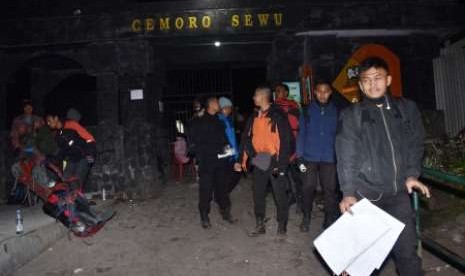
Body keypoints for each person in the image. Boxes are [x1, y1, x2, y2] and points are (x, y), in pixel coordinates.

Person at [336, 57, 430, 276]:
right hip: (366, 198)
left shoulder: (406, 108)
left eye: (377, 78)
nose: (372, 84)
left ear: (388, 79)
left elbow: (415, 143)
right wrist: (348, 192)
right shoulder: (352, 115)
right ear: (360, 85)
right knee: (360, 262)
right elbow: (346, 153)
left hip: (398, 196)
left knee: (408, 256)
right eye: (366, 80)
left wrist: (412, 174)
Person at [235, 85, 292, 236]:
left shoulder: (277, 115)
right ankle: (260, 224)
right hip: (260, 159)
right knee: (258, 193)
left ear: (262, 97)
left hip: (275, 159)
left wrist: (281, 166)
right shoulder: (254, 116)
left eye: (255, 95)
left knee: (279, 194)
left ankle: (282, 224)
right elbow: (245, 138)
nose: (253, 98)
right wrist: (242, 159)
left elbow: (286, 141)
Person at [296, 79, 339, 232]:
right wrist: (299, 156)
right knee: (308, 187)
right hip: (309, 157)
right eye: (319, 91)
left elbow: (340, 136)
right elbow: (301, 134)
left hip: (329, 157)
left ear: (330, 92)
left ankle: (328, 219)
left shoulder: (336, 111)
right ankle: (306, 216)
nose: (322, 94)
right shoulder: (307, 110)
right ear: (314, 92)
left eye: (325, 91)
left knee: (330, 189)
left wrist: (339, 155)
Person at [189, 97, 234, 228]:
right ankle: (204, 216)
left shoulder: (218, 121)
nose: (218, 104)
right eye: (215, 102)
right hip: (207, 161)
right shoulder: (199, 120)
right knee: (206, 190)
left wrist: (227, 148)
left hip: (220, 161)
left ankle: (225, 212)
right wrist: (199, 154)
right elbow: (194, 139)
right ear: (209, 105)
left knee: (222, 188)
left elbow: (223, 138)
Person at [45, 114, 95, 191]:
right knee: (65, 178)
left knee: (77, 179)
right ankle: (70, 200)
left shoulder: (71, 124)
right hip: (72, 159)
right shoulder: (58, 135)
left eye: (49, 121)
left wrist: (90, 155)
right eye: (47, 122)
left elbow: (89, 138)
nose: (48, 124)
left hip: (83, 156)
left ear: (56, 118)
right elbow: (62, 151)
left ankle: (78, 199)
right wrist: (52, 160)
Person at [274, 83, 303, 210]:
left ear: (286, 93)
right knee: (283, 173)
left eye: (279, 91)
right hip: (280, 143)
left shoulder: (294, 105)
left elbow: (300, 123)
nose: (277, 93)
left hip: (295, 142)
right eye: (276, 91)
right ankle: (290, 196)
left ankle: (299, 197)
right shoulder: (273, 107)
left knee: (295, 173)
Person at [218, 97, 241, 193]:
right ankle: (222, 194)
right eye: (230, 107)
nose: (231, 110)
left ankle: (222, 194)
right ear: (224, 108)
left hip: (230, 154)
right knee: (232, 175)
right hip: (226, 154)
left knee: (235, 175)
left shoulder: (227, 120)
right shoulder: (220, 120)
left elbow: (232, 138)